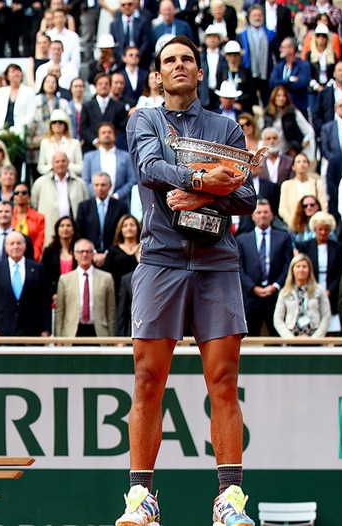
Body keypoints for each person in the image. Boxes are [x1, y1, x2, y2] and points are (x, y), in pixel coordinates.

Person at [117, 35, 258, 526]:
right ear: (157, 75)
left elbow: (247, 197)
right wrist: (203, 181)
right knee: (147, 380)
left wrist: (201, 200)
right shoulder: (144, 119)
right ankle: (140, 499)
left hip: (217, 263)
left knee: (223, 382)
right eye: (169, 61)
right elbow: (149, 168)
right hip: (160, 262)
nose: (179, 66)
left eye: (188, 60)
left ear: (200, 72)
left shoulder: (226, 126)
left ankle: (230, 501)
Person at [237, 200, 295, 336]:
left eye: (265, 212)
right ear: (253, 216)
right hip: (251, 297)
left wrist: (276, 286)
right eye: (259, 212)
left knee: (277, 338)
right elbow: (239, 268)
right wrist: (253, 288)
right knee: (249, 339)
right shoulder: (242, 240)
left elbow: (289, 265)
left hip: (276, 297)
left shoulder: (284, 238)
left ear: (271, 215)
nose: (262, 215)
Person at [0, 231, 50, 337]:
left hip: (32, 330)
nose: (15, 247)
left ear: (25, 246)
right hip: (3, 329)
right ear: (5, 247)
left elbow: (44, 301)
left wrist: (46, 329)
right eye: (12, 243)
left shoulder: (37, 268)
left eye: (19, 243)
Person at [53, 239, 114, 337]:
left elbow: (110, 311)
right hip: (72, 332)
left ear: (93, 254)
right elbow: (60, 311)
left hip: (99, 332)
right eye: (81, 252)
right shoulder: (65, 279)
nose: (84, 255)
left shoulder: (106, 278)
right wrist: (58, 338)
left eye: (88, 251)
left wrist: (112, 337)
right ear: (75, 255)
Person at [31, 150, 88, 248]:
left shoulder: (79, 183)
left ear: (68, 162)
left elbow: (86, 206)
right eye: (57, 162)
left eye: (63, 161)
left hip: (74, 231)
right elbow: (34, 206)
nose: (60, 164)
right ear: (52, 164)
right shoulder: (40, 183)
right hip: (49, 230)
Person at [272, 254, 330, 338]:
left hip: (315, 341)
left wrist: (315, 338)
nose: (301, 269)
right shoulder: (285, 292)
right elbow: (278, 319)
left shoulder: (318, 290)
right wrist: (290, 338)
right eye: (298, 266)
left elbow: (326, 316)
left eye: (304, 266)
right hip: (291, 342)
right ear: (292, 270)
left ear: (309, 269)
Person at [297, 211, 342, 314]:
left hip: (331, 291)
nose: (323, 232)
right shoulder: (305, 246)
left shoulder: (337, 247)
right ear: (315, 229)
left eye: (326, 229)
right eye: (320, 229)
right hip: (310, 289)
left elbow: (339, 272)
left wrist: (330, 290)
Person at [277, 153, 328, 227]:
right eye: (298, 162)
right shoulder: (286, 185)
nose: (302, 164)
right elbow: (283, 208)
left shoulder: (317, 184)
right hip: (294, 225)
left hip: (315, 225)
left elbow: (324, 205)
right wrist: (293, 223)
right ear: (293, 167)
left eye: (304, 161)